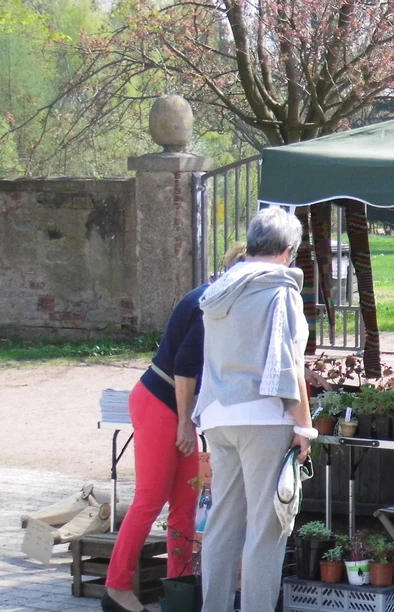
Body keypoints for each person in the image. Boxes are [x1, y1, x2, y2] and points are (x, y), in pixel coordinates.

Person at [102, 243, 247, 612]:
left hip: (181, 409)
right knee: (150, 498)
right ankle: (116, 588)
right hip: (159, 402)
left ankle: (178, 590)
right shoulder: (209, 305)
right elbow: (185, 366)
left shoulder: (225, 301)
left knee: (185, 504)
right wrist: (185, 425)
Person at [193, 207, 315, 612]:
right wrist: (305, 425)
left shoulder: (220, 288)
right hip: (263, 416)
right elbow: (291, 363)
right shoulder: (280, 288)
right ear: (289, 250)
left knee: (223, 524)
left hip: (218, 413)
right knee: (267, 529)